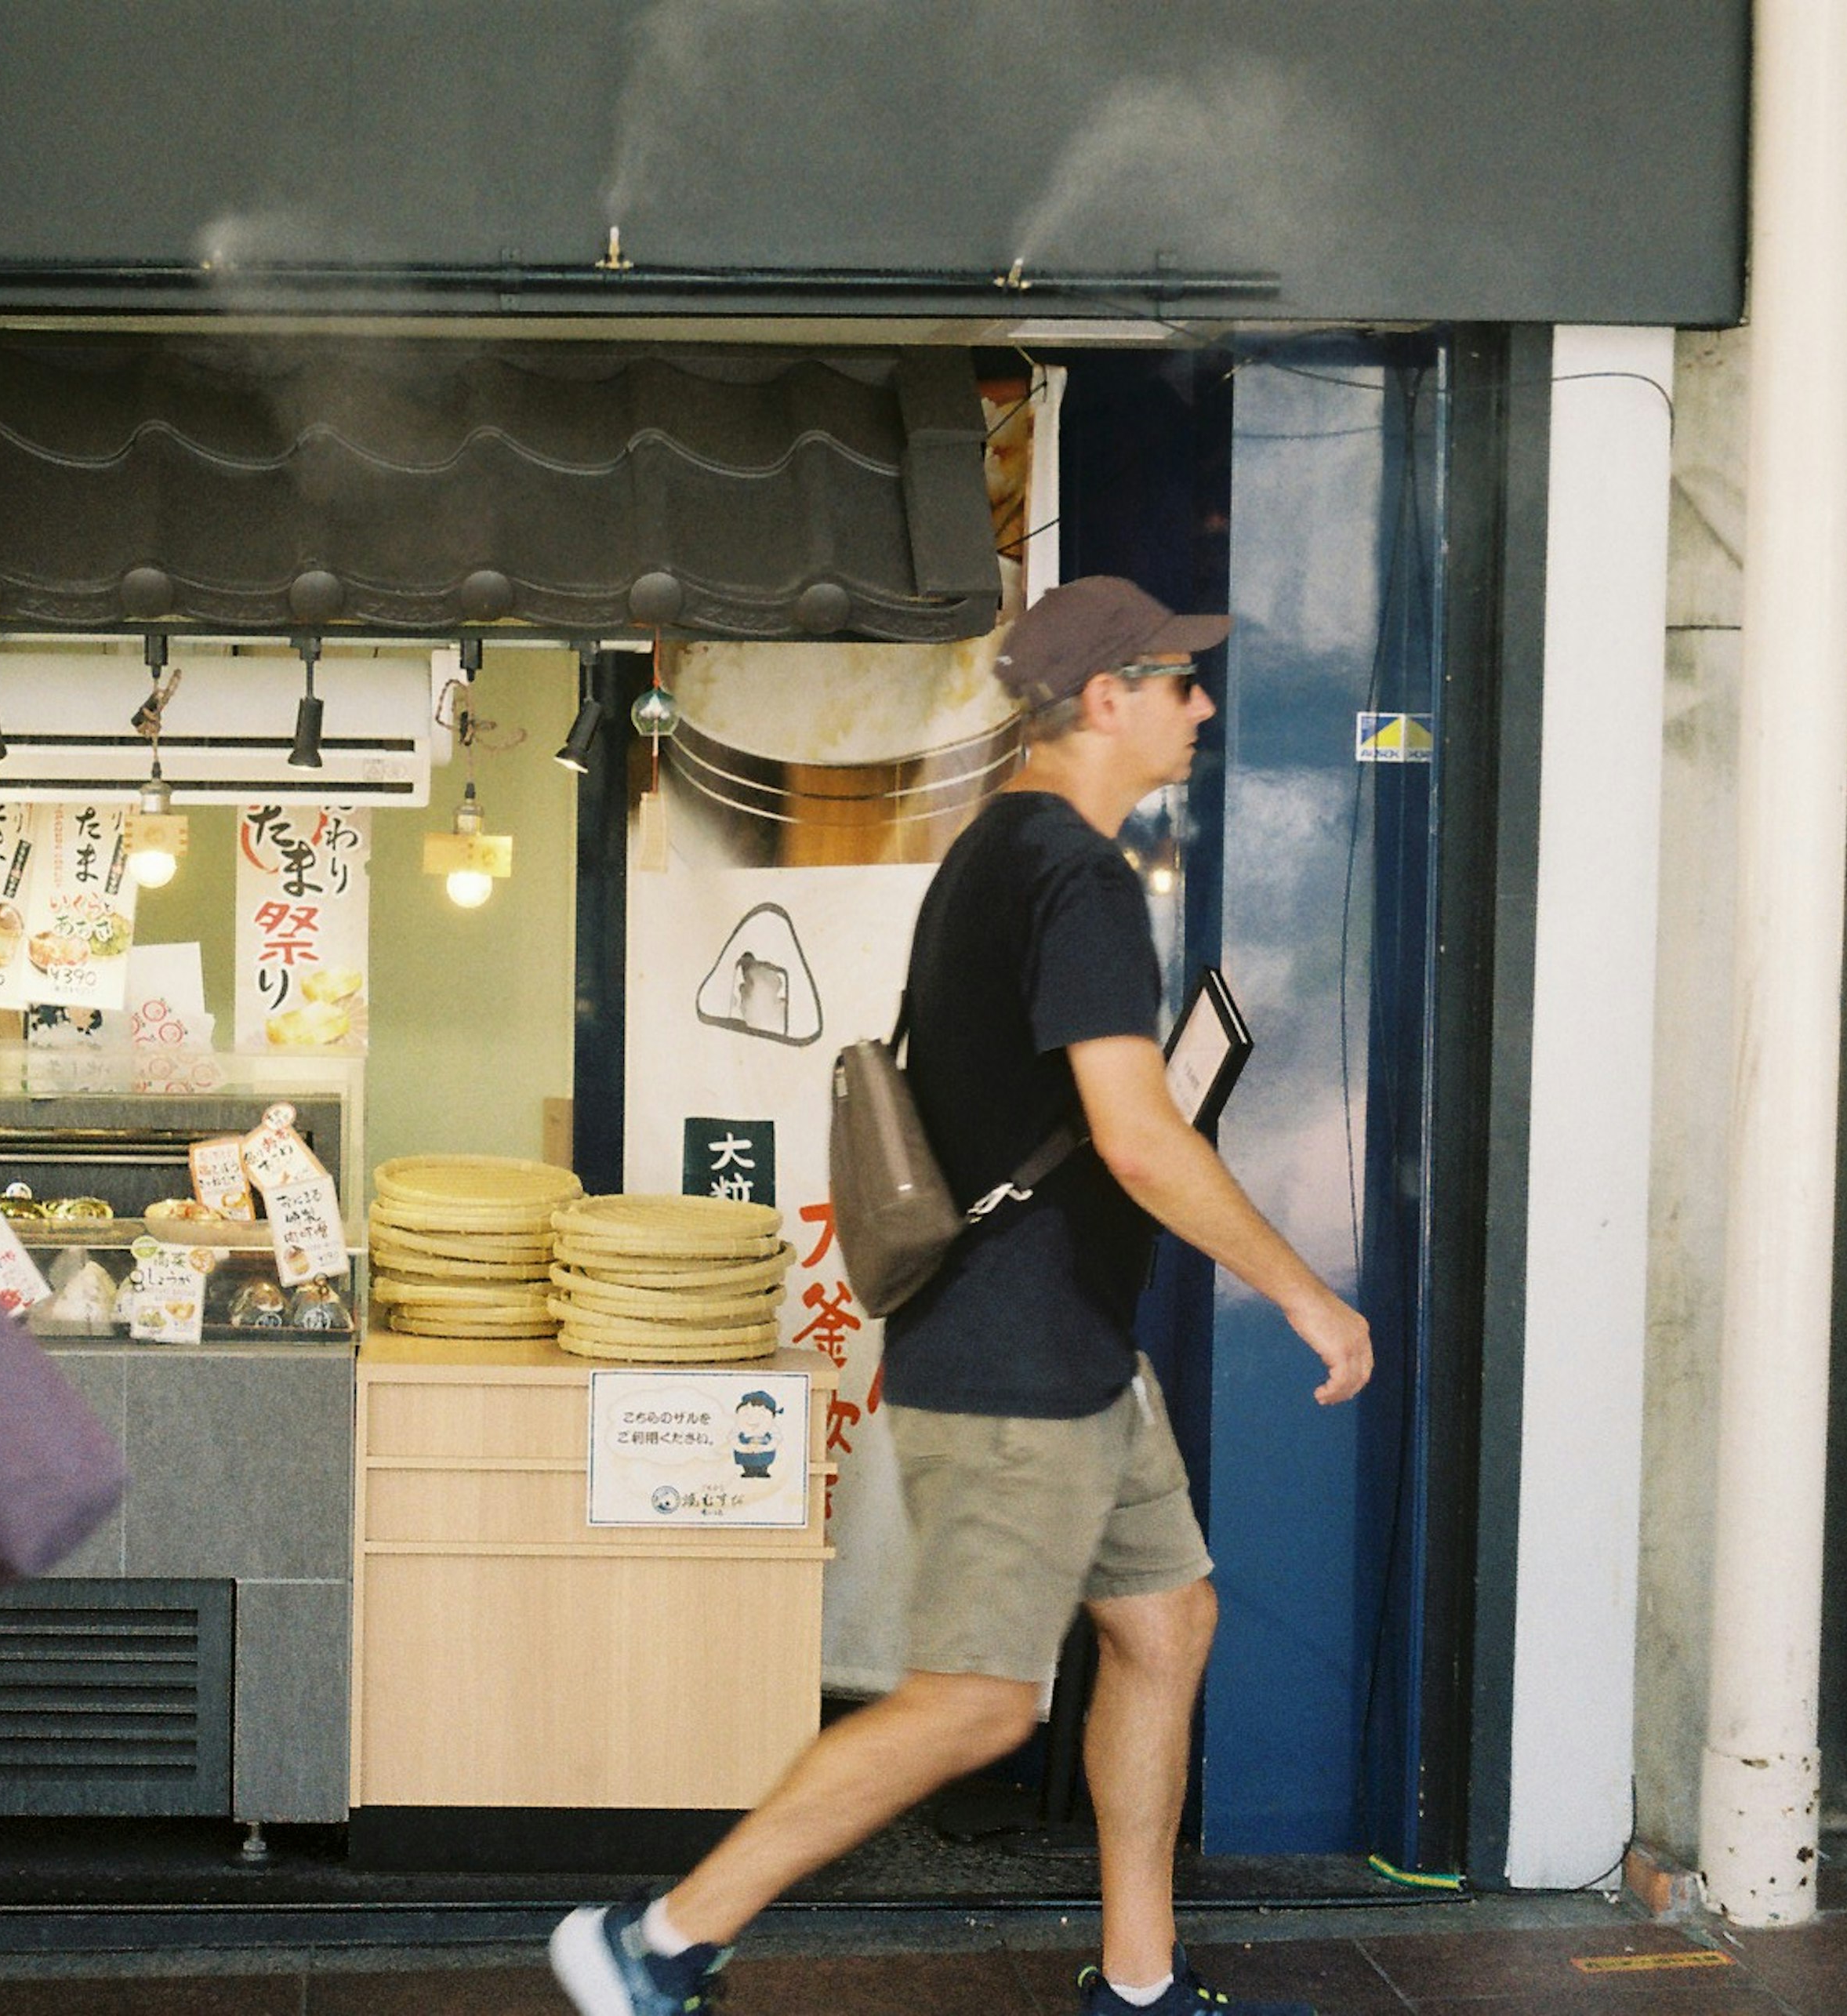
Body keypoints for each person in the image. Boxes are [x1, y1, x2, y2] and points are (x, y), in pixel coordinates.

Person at [550, 577, 1373, 2016]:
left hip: (1070, 1351)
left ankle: (1136, 1982)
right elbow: (1133, 1133)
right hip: (1018, 1363)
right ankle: (661, 1938)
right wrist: (1308, 1294)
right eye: (1179, 681)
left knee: (1165, 1626)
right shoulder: (1076, 875)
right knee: (983, 1697)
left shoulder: (1000, 849)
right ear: (1104, 699)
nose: (1204, 704)